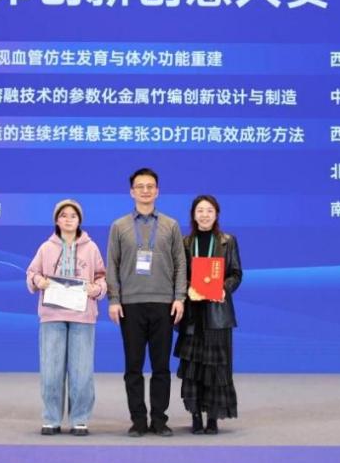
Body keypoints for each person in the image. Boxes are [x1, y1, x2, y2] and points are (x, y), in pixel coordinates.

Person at [106, 168, 186, 437]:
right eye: (140, 186)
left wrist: (179, 298)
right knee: (133, 367)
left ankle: (160, 420)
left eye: (150, 186)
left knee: (161, 367)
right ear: (132, 192)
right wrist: (114, 299)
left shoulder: (170, 225)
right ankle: (138, 421)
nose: (145, 190)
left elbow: (180, 264)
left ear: (157, 191)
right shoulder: (119, 226)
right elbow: (112, 264)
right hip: (130, 305)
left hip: (164, 303)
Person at [27, 199, 107, 436]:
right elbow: (32, 273)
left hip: (83, 315)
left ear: (80, 220)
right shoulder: (46, 248)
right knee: (51, 369)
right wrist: (38, 281)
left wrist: (96, 289)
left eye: (73, 215)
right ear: (56, 220)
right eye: (64, 215)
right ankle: (51, 418)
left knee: (81, 370)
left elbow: (102, 277)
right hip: (52, 314)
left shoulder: (91, 248)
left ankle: (79, 418)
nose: (69, 219)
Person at [174, 195, 242, 434]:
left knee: (216, 369)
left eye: (209, 211)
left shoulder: (227, 241)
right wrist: (187, 289)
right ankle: (195, 416)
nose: (204, 215)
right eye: (200, 211)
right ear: (193, 215)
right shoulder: (185, 242)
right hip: (193, 313)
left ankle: (213, 418)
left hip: (217, 314)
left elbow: (236, 273)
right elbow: (178, 274)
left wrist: (223, 288)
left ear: (216, 214)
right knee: (193, 368)